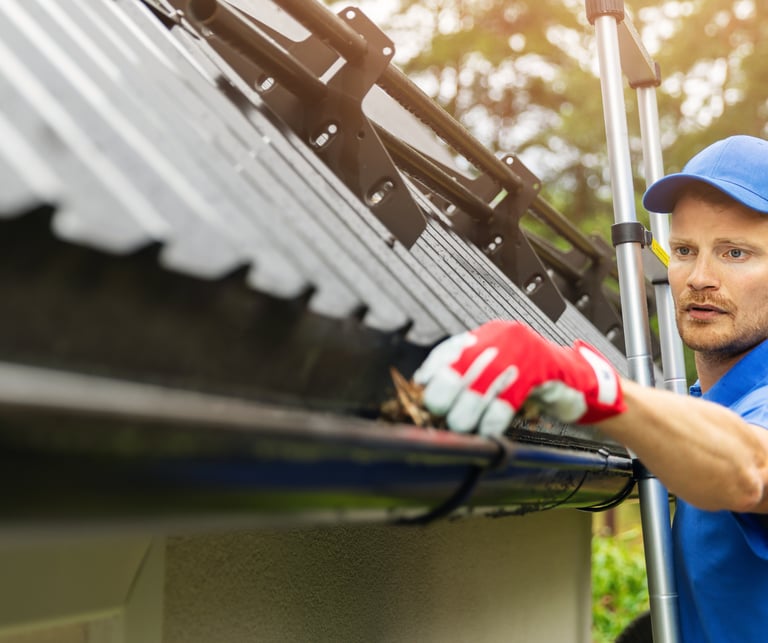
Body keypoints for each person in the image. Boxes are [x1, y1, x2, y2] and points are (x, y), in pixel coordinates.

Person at [413, 134, 768, 643]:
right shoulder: (701, 404)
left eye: (735, 253)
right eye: (685, 250)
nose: (699, 277)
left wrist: (593, 386)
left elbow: (751, 467)